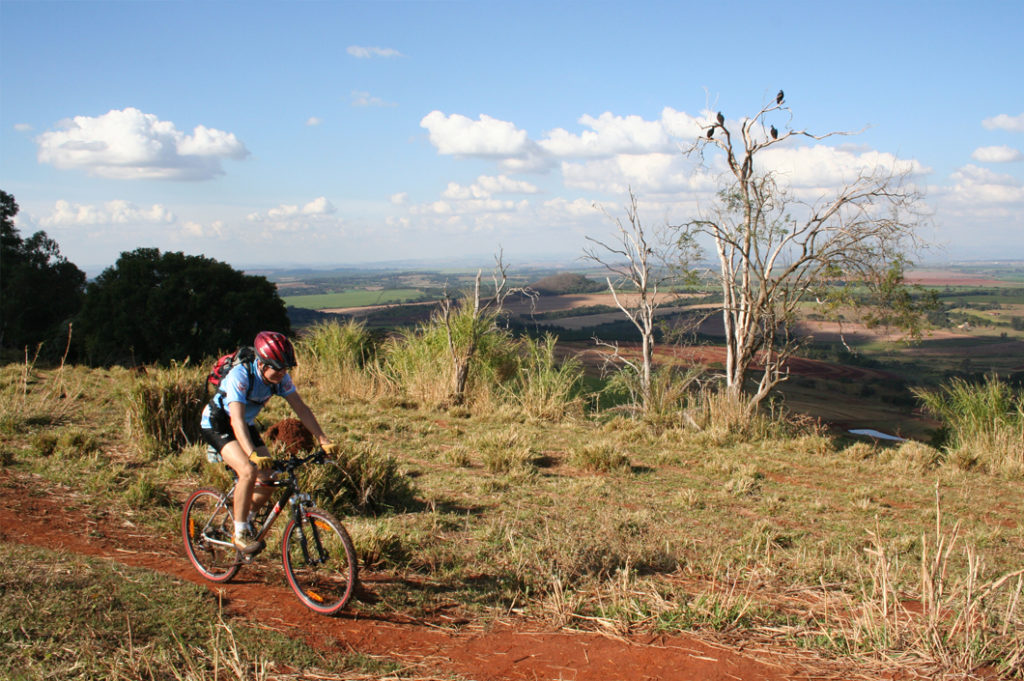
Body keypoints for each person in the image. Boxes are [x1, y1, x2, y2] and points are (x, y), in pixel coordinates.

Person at [200, 331, 336, 554]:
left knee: (270, 477)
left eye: (286, 368)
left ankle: (246, 517)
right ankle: (240, 533)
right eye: (277, 367)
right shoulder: (240, 376)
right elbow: (235, 419)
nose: (282, 373)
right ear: (262, 364)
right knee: (248, 471)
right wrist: (252, 453)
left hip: (244, 423)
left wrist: (323, 439)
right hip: (218, 423)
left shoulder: (280, 378)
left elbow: (301, 409)